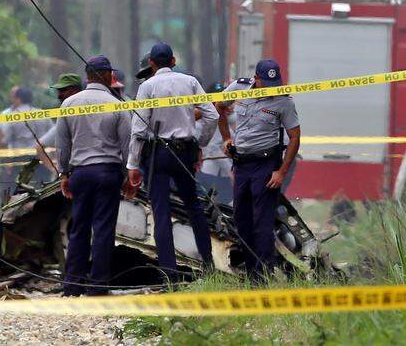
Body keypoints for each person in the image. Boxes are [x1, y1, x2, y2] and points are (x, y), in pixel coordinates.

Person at [127, 42, 219, 276]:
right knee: (194, 208)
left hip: (157, 155)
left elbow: (138, 130)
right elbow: (212, 115)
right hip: (185, 152)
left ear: (151, 63)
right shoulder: (190, 82)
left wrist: (133, 164)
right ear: (173, 61)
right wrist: (200, 143)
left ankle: (169, 273)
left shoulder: (147, 87)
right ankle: (208, 265)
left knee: (161, 212)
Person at [54, 56, 132, 296]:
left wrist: (63, 173)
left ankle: (72, 285)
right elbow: (127, 143)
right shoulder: (116, 104)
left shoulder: (69, 104)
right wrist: (129, 174)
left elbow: (62, 144)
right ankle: (98, 286)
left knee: (79, 228)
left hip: (80, 173)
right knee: (103, 229)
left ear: (87, 77)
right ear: (109, 76)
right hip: (108, 173)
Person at [222, 59, 301, 280]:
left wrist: (282, 172)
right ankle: (250, 271)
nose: (271, 87)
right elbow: (218, 107)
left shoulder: (284, 101)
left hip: (266, 166)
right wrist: (226, 138)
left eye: (274, 83)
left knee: (262, 223)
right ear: (256, 79)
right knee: (241, 220)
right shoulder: (239, 87)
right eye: (266, 82)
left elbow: (295, 137)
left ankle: (263, 276)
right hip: (242, 165)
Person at [196, 78, 253, 201]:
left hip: (223, 173)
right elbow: (213, 148)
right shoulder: (206, 120)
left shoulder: (228, 117)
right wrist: (230, 172)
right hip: (211, 173)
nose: (227, 105)